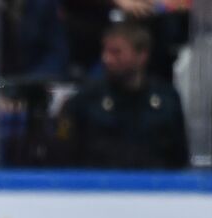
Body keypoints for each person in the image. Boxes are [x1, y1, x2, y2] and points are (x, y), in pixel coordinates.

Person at [55, 20, 189, 169]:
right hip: (98, 186)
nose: (107, 59)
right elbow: (64, 154)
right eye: (105, 51)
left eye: (116, 52)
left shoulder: (166, 99)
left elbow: (179, 156)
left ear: (141, 55)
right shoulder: (85, 100)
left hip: (153, 186)